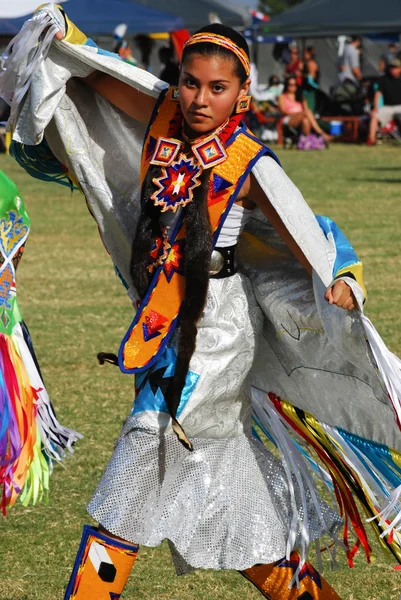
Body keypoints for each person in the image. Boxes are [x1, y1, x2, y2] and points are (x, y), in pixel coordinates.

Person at [2, 5, 401, 600]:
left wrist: (339, 275)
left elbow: (307, 231)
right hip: (166, 331)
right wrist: (64, 42)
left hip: (213, 339)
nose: (198, 99)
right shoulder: (163, 118)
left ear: (243, 95)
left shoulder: (249, 163)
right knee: (229, 510)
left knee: (131, 483)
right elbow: (95, 78)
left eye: (218, 88)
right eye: (190, 82)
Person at [278, 76, 331, 142]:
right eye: (290, 85)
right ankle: (321, 133)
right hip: (288, 118)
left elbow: (306, 109)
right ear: (286, 85)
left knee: (305, 120)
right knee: (307, 113)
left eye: (294, 85)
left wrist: (301, 114)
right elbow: (283, 111)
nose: (292, 87)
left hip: (301, 117)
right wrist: (296, 114)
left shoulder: (300, 97)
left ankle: (306, 141)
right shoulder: (282, 96)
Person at [367, 58, 401, 145]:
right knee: (374, 116)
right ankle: (371, 139)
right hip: (387, 107)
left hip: (399, 106)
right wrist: (375, 107)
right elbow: (378, 94)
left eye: (396, 68)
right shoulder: (384, 79)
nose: (393, 70)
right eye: (392, 68)